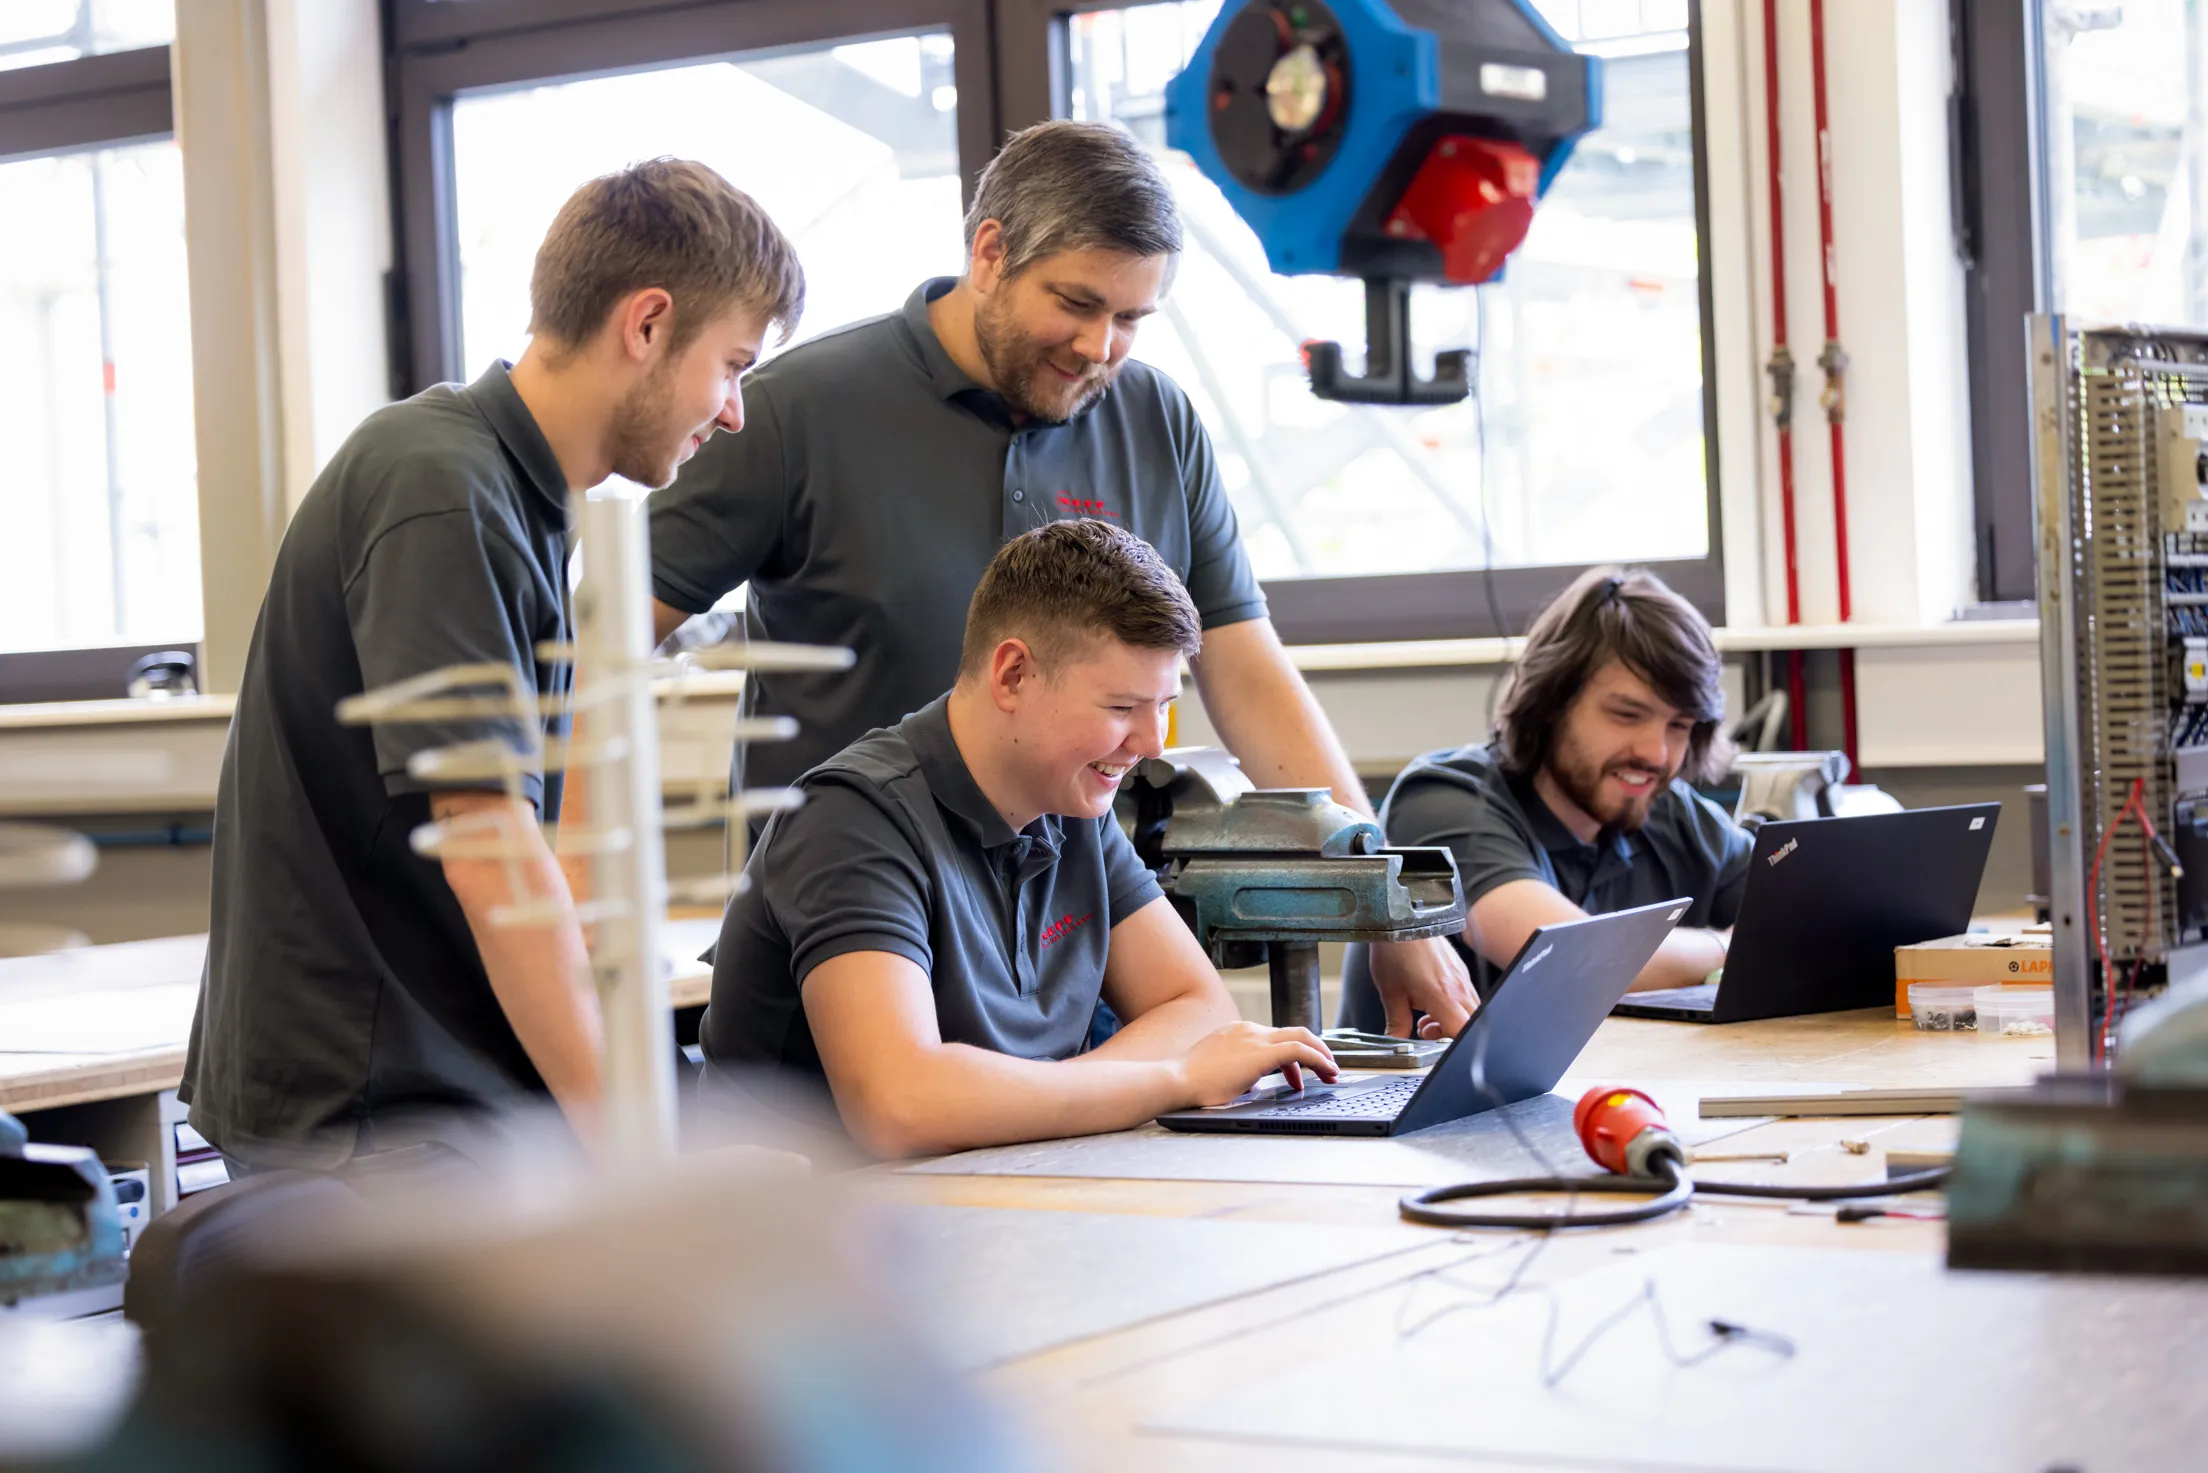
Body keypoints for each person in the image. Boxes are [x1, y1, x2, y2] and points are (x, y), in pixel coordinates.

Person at [645, 119, 1475, 1041]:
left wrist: (1381, 894)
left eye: (1130, 318)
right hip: (848, 974)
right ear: (990, 251)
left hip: (1067, 978)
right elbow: (590, 647)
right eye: (1076, 303)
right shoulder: (795, 411)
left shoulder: (1157, 418)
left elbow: (1247, 673)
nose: (1099, 346)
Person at [182, 159, 805, 1170]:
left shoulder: (520, 499)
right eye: (732, 365)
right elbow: (491, 854)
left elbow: (544, 855)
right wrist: (652, 1157)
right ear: (646, 325)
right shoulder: (440, 488)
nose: (733, 411)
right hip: (375, 1113)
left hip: (447, 1088)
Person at [700, 521, 1339, 1158]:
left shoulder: (1073, 803)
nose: (1151, 745)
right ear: (1012, 675)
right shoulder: (850, 818)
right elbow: (900, 1105)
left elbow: (1197, 1007)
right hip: (812, 1234)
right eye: (1121, 708)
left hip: (1002, 1189)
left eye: (1163, 704)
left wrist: (1041, 1096)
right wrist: (1171, 1081)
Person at [1339, 566, 1753, 1027]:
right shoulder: (1442, 800)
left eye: (1679, 726)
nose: (1656, 753)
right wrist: (1728, 948)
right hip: (1428, 1100)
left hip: (1626, 1090)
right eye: (1627, 714)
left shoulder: (1680, 817)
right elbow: (1581, 960)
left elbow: (1804, 928)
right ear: (1553, 703)